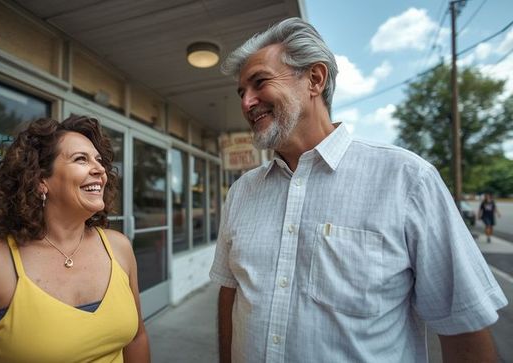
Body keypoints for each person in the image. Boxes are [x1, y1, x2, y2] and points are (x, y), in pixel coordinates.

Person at [209, 17, 507, 362]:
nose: (247, 102)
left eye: (259, 83)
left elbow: (464, 326)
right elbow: (229, 291)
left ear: (315, 79)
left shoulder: (407, 180)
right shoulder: (243, 191)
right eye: (241, 92)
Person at [0, 116, 150, 362]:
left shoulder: (118, 247)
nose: (100, 170)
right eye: (81, 159)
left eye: (99, 161)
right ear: (40, 181)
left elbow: (136, 338)